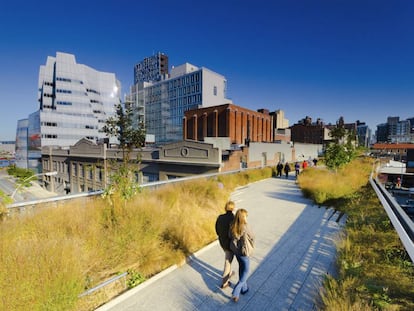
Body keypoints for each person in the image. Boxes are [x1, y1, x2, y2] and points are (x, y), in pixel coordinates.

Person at [229, 208, 255, 302]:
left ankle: (244, 289)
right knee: (246, 271)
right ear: (243, 217)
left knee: (241, 267)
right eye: (246, 216)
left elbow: (229, 236)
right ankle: (236, 292)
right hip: (244, 252)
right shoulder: (246, 226)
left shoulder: (232, 225)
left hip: (236, 252)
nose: (247, 218)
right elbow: (252, 237)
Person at [215, 201, 235, 288]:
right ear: (233, 208)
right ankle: (225, 282)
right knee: (228, 261)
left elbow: (217, 229)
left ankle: (229, 273)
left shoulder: (220, 217)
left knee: (228, 258)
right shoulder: (233, 218)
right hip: (230, 243)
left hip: (222, 242)